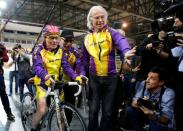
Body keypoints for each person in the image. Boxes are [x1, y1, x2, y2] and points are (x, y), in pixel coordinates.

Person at [82, 6, 135, 131]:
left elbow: (121, 40)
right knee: (93, 111)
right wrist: (83, 74)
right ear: (91, 19)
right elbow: (84, 59)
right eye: (97, 17)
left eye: (102, 17)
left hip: (111, 79)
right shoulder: (86, 38)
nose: (100, 20)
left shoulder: (111, 32)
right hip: (94, 78)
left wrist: (126, 51)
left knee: (108, 113)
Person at [31, 25, 85, 131]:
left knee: (62, 113)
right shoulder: (38, 50)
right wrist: (45, 75)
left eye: (56, 38)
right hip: (42, 83)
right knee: (42, 110)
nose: (54, 40)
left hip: (56, 83)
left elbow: (66, 66)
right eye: (51, 37)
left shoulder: (60, 51)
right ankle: (33, 128)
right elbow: (37, 66)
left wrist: (77, 77)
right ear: (44, 38)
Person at [124, 66, 175, 131]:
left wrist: (152, 113)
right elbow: (133, 103)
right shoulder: (144, 84)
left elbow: (165, 119)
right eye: (148, 77)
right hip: (145, 117)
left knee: (155, 126)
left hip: (159, 121)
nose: (147, 80)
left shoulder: (168, 93)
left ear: (161, 82)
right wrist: (144, 108)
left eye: (152, 78)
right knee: (129, 110)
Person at [60, 29, 85, 108]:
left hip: (70, 84)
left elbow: (80, 65)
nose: (69, 43)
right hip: (56, 84)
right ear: (60, 39)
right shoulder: (56, 51)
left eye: (71, 41)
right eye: (66, 40)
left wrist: (81, 75)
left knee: (69, 112)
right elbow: (65, 66)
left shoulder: (74, 52)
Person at [170, 13, 183, 131]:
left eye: (177, 21)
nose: (174, 24)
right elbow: (174, 53)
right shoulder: (178, 38)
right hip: (178, 77)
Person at [0, 43, 15, 121]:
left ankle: (9, 113)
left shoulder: (1, 47)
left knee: (3, 95)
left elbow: (6, 58)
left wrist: (1, 57)